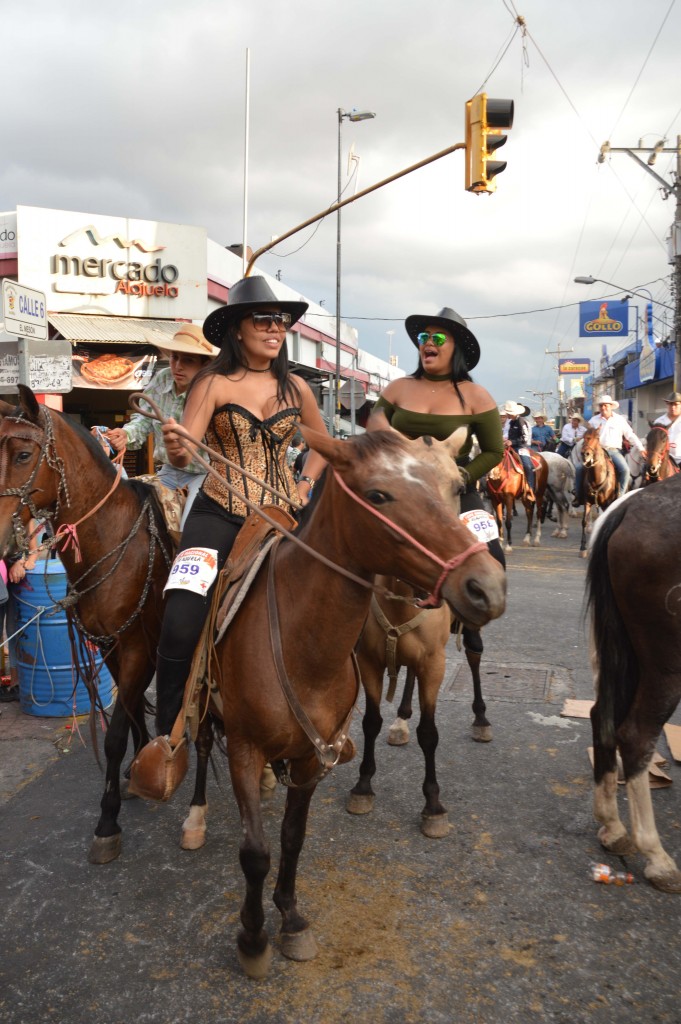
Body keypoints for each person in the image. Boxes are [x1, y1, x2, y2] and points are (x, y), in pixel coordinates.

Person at [130, 275, 329, 791]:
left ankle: (325, 720)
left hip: (285, 514)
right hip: (220, 512)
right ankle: (167, 736)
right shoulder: (213, 383)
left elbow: (323, 447)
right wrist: (177, 447)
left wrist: (306, 484)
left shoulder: (297, 388)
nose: (274, 329)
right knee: (180, 611)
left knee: (339, 593)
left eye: (280, 321)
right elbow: (186, 451)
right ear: (237, 330)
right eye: (262, 320)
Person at [368, 305, 505, 567]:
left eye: (438, 338)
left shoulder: (477, 395)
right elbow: (372, 438)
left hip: (457, 487)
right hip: (399, 487)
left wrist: (460, 478)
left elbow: (494, 451)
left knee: (492, 556)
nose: (428, 343)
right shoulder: (398, 388)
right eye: (424, 338)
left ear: (457, 348)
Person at [100, 324, 220, 508]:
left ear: (204, 364)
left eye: (188, 360)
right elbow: (144, 419)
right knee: (138, 511)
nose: (178, 366)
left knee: (192, 521)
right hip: (169, 471)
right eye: (174, 357)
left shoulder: (213, 389)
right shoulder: (162, 378)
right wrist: (126, 435)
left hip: (205, 475)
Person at [572, 395, 644, 505]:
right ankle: (578, 495)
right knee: (578, 468)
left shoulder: (619, 420)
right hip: (596, 452)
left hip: (614, 451)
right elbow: (588, 437)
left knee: (625, 470)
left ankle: (621, 495)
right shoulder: (593, 421)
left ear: (611, 406)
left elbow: (630, 435)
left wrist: (641, 448)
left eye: (606, 405)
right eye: (601, 406)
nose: (603, 408)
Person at [500, 400, 535, 501]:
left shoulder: (521, 421)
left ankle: (530, 489)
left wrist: (512, 442)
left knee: (528, 465)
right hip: (510, 446)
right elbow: (510, 435)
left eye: (509, 413)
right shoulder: (511, 422)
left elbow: (525, 437)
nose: (507, 415)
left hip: (521, 447)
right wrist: (506, 440)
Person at [653, 390, 681, 466]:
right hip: (663, 458)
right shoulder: (659, 421)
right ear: (667, 405)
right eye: (670, 404)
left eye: (676, 404)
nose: (673, 407)